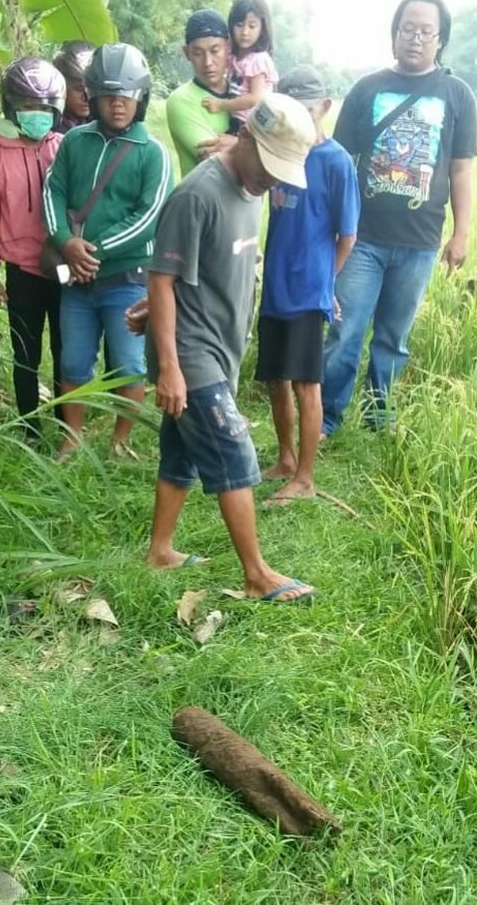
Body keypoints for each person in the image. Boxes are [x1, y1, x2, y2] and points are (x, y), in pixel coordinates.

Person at [145, 94, 319, 602]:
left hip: (222, 347)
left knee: (181, 451)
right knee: (233, 452)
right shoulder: (197, 195)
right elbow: (161, 278)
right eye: (268, 165)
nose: (271, 179)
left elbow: (200, 268)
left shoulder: (252, 188)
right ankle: (257, 574)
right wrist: (170, 367)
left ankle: (160, 550)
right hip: (191, 353)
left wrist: (149, 308)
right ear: (244, 137)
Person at [321, 0, 477, 436]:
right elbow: (339, 162)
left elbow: (461, 170)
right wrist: (330, 226)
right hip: (361, 238)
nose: (415, 38)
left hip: (420, 241)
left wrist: (461, 234)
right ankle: (327, 418)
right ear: (394, 34)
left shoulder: (457, 95)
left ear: (440, 39)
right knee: (345, 329)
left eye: (426, 31)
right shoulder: (366, 89)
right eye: (408, 29)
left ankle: (379, 417)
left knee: (393, 338)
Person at [43, 43, 173, 460]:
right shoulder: (74, 142)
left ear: (141, 98)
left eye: (128, 95)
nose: (119, 104)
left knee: (130, 365)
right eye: (109, 95)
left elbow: (148, 217)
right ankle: (72, 439)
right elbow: (53, 190)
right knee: (73, 361)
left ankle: (120, 442)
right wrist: (65, 241)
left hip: (128, 278)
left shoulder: (153, 153)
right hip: (77, 281)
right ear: (93, 96)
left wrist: (89, 253)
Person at [257, 65, 360, 504]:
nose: (299, 117)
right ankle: (285, 458)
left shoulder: (335, 162)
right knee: (275, 378)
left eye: (306, 109)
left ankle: (305, 477)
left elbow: (347, 235)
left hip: (307, 289)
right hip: (275, 284)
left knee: (305, 384)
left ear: (324, 107)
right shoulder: (278, 153)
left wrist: (324, 283)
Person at [0, 56, 66, 443]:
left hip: (62, 267)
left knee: (66, 349)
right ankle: (30, 428)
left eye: (44, 107)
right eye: (28, 106)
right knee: (25, 354)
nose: (37, 115)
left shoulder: (64, 147)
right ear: (11, 107)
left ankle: (66, 424)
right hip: (21, 272)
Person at [165, 9, 238, 176]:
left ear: (228, 47)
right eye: (198, 53)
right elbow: (216, 160)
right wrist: (252, 145)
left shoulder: (244, 95)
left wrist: (236, 144)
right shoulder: (181, 100)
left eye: (215, 50)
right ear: (187, 53)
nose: (208, 62)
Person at [202, 0, 278, 133]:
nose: (244, 32)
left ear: (262, 28)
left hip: (251, 125)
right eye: (239, 25)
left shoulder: (258, 60)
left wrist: (221, 105)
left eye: (252, 26)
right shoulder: (235, 55)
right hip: (235, 119)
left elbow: (254, 98)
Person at [52, 40, 95, 132]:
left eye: (92, 88)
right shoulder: (48, 126)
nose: (86, 98)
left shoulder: (105, 123)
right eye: (79, 89)